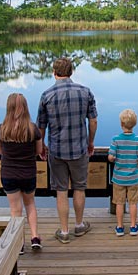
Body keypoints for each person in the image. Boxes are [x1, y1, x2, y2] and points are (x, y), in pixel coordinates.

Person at [37, 57, 98, 244]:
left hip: (56, 150)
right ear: (71, 72)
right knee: (79, 188)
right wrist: (90, 142)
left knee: (61, 191)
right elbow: (93, 121)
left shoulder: (46, 95)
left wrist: (41, 146)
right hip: (79, 149)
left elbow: (41, 127)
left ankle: (64, 231)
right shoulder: (85, 92)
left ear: (54, 73)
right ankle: (79, 226)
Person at [0, 93, 43, 252]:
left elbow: (0, 151)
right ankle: (35, 237)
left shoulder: (2, 129)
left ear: (8, 108)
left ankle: (20, 243)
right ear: (26, 107)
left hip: (9, 173)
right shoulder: (33, 129)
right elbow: (39, 150)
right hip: (28, 173)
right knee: (30, 204)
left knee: (15, 210)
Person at [107, 109, 138, 237]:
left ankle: (119, 227)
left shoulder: (115, 139)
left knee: (119, 202)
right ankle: (133, 227)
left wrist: (114, 157)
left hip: (118, 178)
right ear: (134, 124)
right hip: (133, 178)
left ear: (121, 124)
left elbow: (111, 157)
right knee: (133, 203)